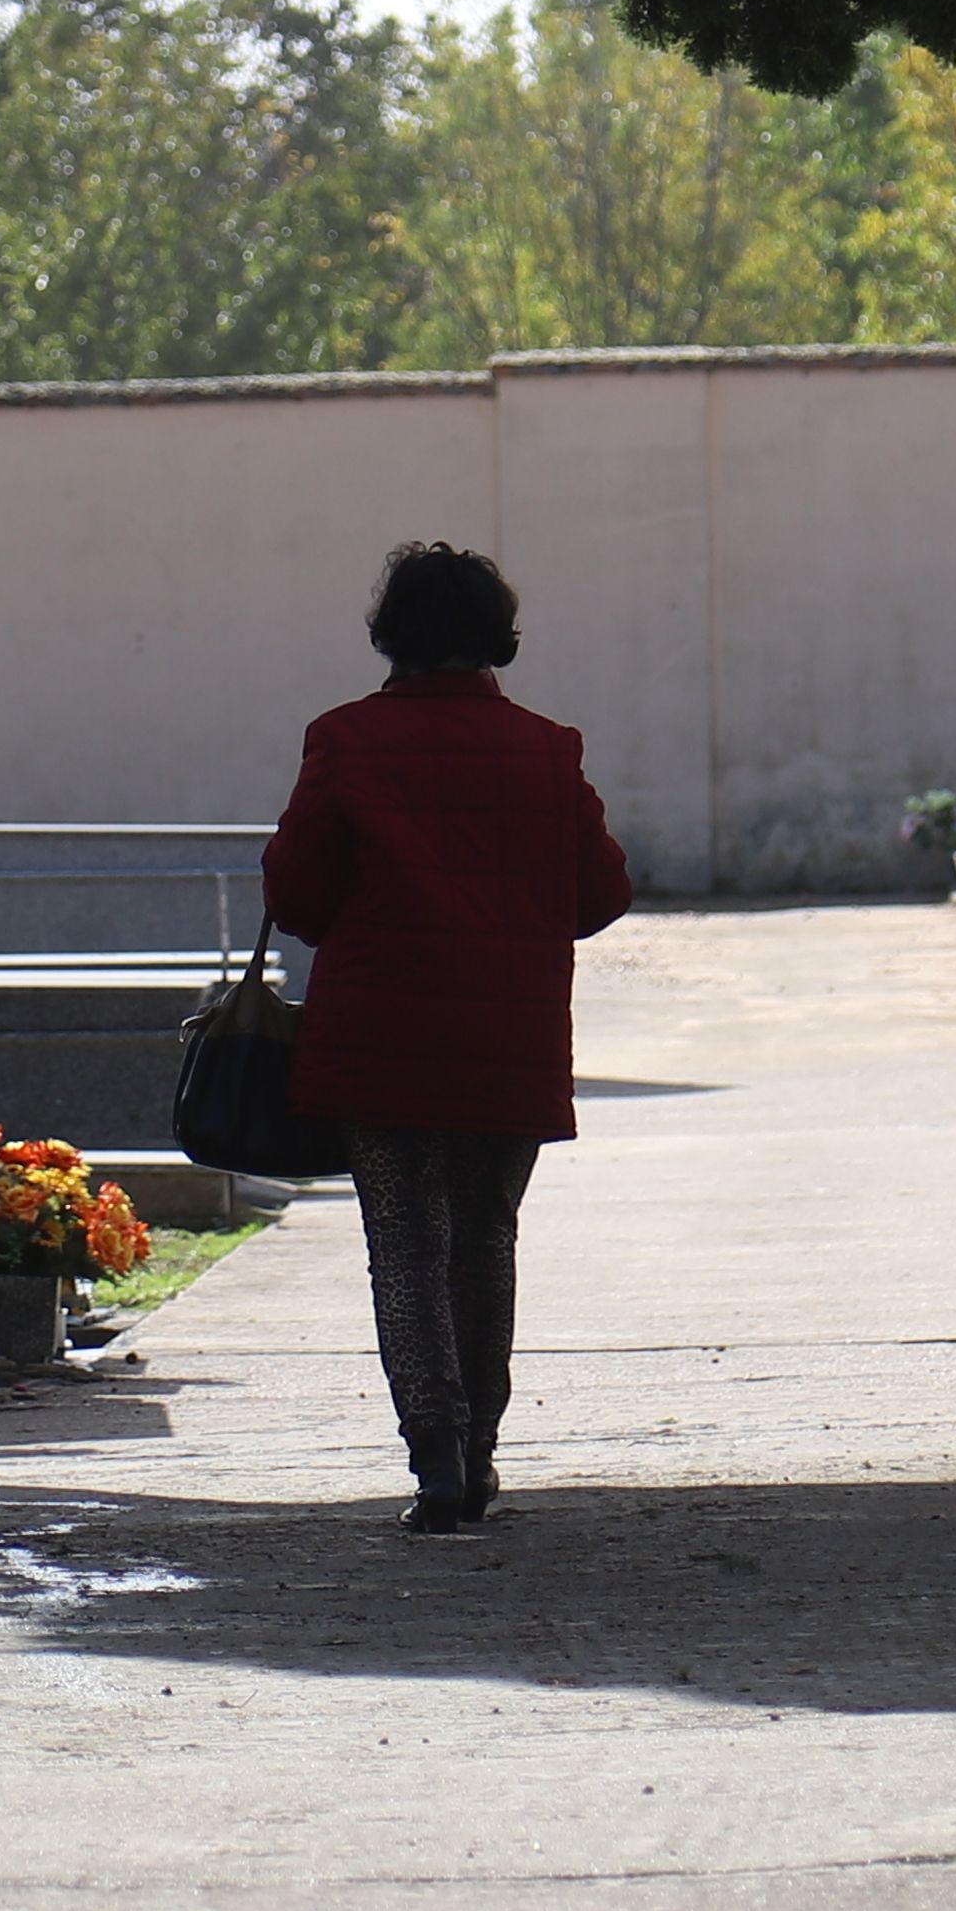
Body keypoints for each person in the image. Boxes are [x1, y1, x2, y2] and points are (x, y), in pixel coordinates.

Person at [260, 542, 632, 1533]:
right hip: (507, 1037)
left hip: (379, 1041)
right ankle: (484, 1447)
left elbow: (296, 896)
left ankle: (435, 1453)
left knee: (406, 1253)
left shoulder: (343, 740)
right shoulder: (549, 748)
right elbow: (602, 892)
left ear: (391, 633)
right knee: (484, 1245)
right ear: (494, 633)